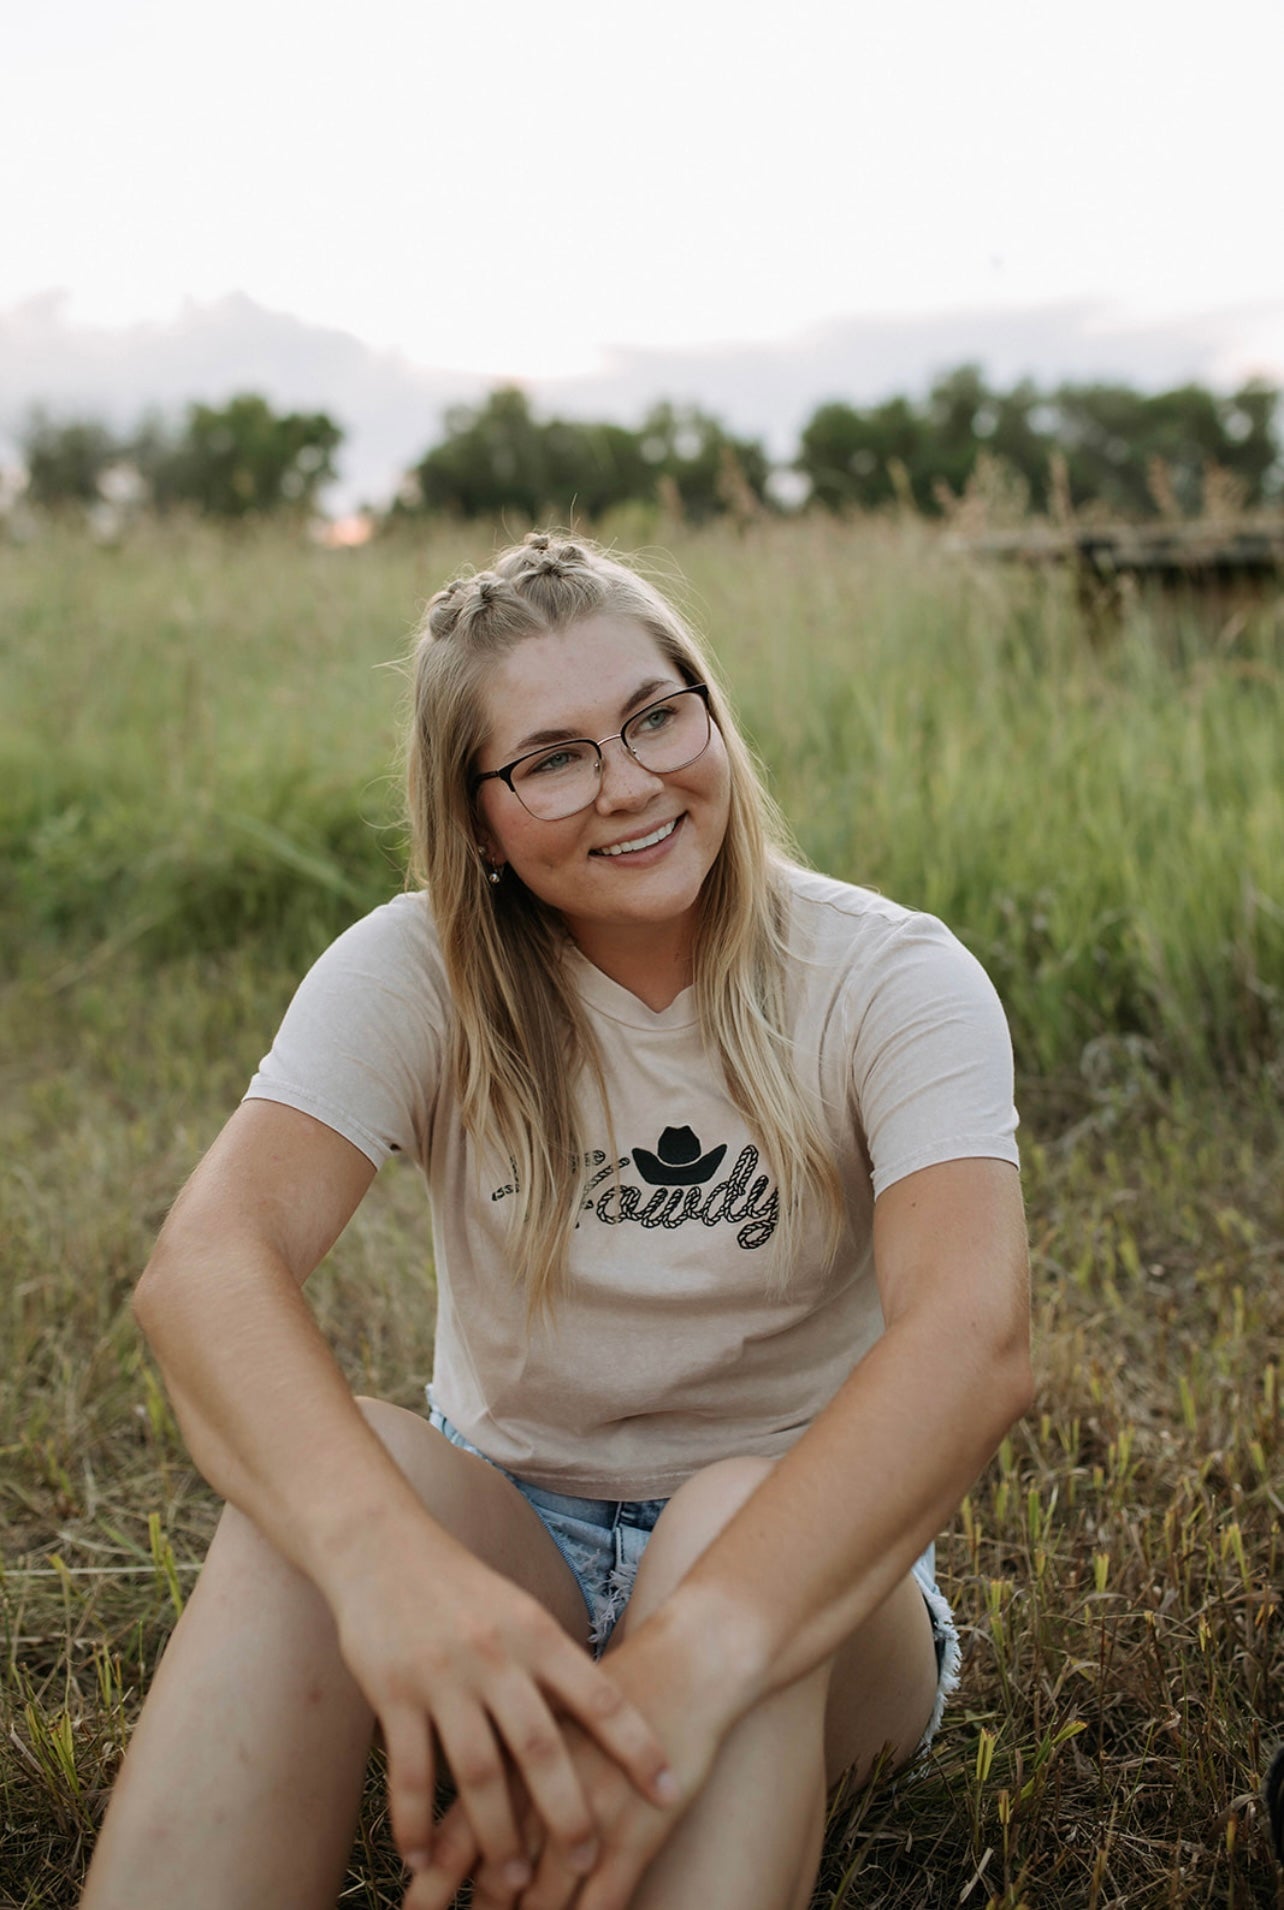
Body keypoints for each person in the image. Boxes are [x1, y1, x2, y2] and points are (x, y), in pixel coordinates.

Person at [81, 531, 1032, 1910]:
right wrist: (386, 1568)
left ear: (713, 711)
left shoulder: (888, 976)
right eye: (553, 756)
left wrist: (695, 1647)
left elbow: (974, 1337)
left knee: (730, 1501)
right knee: (345, 1483)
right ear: (477, 816)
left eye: (658, 716)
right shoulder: (415, 968)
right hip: (504, 1558)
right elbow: (204, 1268)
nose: (633, 782)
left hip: (800, 1590)